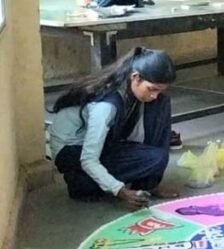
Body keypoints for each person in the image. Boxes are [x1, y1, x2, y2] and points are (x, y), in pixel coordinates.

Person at [48, 47, 179, 209]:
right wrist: (120, 191)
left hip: (104, 144)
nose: (154, 95)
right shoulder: (106, 106)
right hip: (72, 150)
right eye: (152, 89)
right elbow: (88, 160)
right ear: (136, 78)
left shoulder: (132, 88)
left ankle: (147, 184)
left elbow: (134, 134)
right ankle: (82, 182)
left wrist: (144, 161)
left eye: (159, 90)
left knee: (157, 154)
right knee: (87, 186)